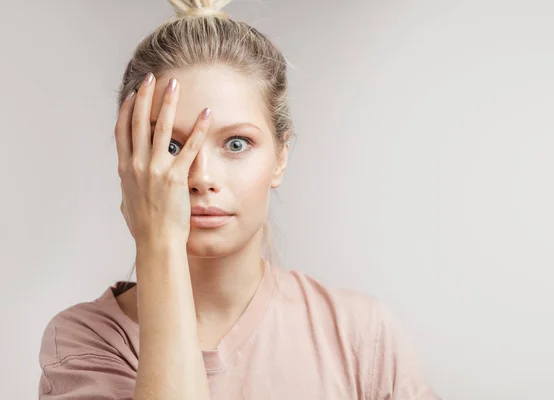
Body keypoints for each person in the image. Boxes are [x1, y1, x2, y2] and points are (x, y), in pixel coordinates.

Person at [37, 1, 441, 399]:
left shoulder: (361, 337)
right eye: (172, 146)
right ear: (130, 161)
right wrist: (158, 243)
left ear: (280, 156)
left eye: (236, 143)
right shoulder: (82, 344)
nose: (202, 177)